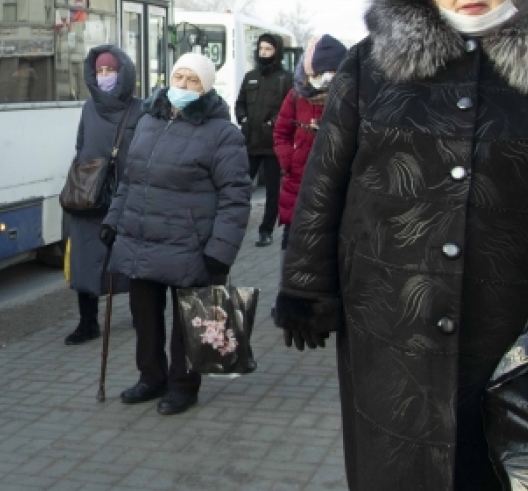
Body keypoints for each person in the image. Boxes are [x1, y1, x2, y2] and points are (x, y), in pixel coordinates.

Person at [273, 0, 528, 491]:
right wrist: (307, 285)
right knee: (393, 482)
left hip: (513, 329)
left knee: (495, 483)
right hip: (389, 319)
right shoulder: (371, 68)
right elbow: (324, 185)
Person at [102, 53, 252, 414]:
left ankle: (183, 385)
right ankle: (150, 377)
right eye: (178, 77)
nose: (182, 86)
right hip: (141, 238)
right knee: (144, 316)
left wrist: (221, 249)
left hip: (190, 244)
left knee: (189, 319)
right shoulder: (149, 121)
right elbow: (129, 180)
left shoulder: (223, 134)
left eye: (192, 81)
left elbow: (236, 196)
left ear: (207, 87)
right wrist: (112, 220)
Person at [62, 46, 141, 345]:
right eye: (100, 71)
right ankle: (87, 322)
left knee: (131, 258)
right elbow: (81, 148)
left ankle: (140, 313)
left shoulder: (139, 109)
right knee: (85, 259)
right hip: (90, 195)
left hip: (126, 195)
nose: (105, 77)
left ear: (124, 74)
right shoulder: (88, 108)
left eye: (111, 71)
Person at [272, 34, 346, 252]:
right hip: (297, 183)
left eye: (331, 73)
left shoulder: (349, 98)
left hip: (333, 186)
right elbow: (281, 132)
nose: (324, 79)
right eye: (320, 73)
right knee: (292, 253)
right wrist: (289, 161)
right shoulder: (296, 96)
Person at [234, 33, 291, 247]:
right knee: (239, 188)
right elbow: (240, 103)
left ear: (276, 51)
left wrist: (273, 123)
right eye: (261, 49)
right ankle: (236, 228)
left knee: (273, 191)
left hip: (272, 145)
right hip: (249, 143)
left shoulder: (286, 79)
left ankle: (265, 231)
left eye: (268, 49)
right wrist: (243, 118)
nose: (264, 53)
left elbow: (288, 108)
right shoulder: (250, 76)